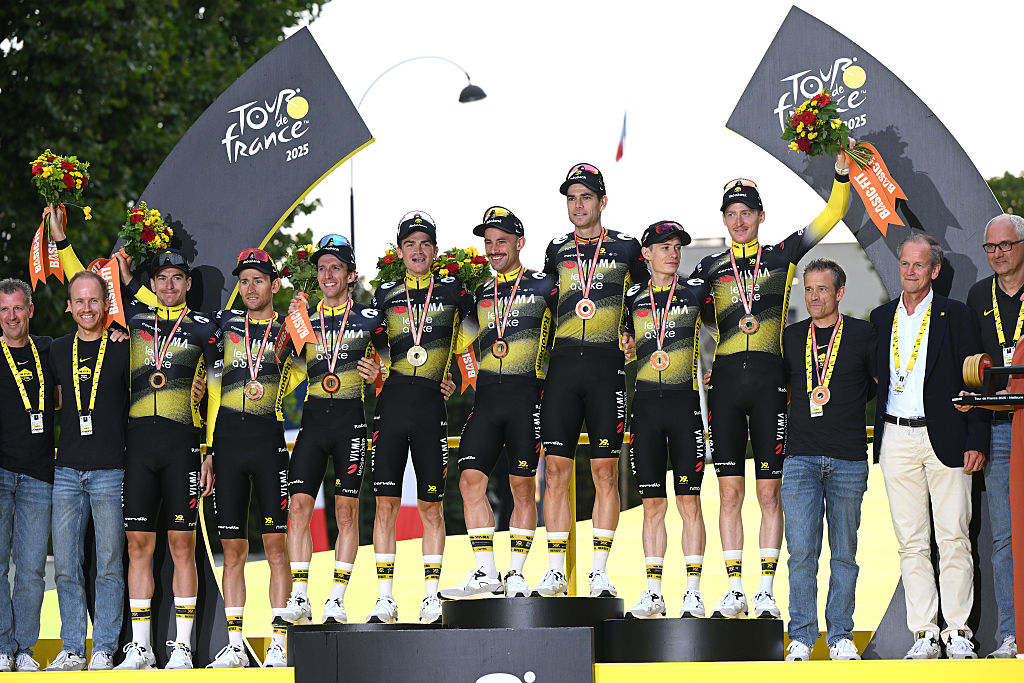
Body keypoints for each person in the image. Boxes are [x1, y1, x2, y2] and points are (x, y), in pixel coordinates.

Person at [693, 150, 851, 618]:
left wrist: (841, 172)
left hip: (769, 383)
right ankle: (735, 587)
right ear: (723, 219)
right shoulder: (709, 269)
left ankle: (765, 589)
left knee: (768, 492)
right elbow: (677, 321)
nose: (739, 221)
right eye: (732, 214)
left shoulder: (782, 255)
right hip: (723, 384)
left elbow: (834, 214)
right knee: (728, 493)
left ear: (761, 216)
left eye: (747, 213)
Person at [56, 227, 219, 670]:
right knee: (137, 545)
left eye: (176, 279)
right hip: (138, 450)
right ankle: (142, 646)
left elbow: (225, 388)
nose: (169, 285)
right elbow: (84, 285)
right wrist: (62, 241)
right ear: (154, 282)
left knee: (182, 544)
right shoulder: (132, 318)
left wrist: (209, 450)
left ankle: (182, 646)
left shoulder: (207, 327)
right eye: (162, 278)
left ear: (188, 284)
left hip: (184, 445)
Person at [871, 233, 987, 659]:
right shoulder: (881, 317)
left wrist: (975, 437)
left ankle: (957, 631)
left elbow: (974, 379)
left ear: (934, 271)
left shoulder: (955, 315)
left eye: (919, 265)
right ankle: (924, 633)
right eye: (905, 264)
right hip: (896, 437)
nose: (910, 271)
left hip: (948, 437)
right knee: (911, 542)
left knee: (954, 536)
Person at [538, 163, 646, 598]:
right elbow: (539, 306)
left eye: (586, 197)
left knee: (604, 471)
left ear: (603, 202)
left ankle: (599, 570)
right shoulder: (556, 249)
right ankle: (556, 570)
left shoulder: (626, 247)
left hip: (606, 368)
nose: (578, 205)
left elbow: (648, 300)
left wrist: (636, 336)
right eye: (571, 198)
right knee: (556, 472)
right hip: (562, 367)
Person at [440, 207, 556, 600]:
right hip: (487, 399)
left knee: (523, 489)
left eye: (501, 241)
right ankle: (486, 573)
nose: (493, 249)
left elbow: (576, 332)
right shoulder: (478, 296)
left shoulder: (546, 287)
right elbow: (456, 344)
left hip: (528, 397)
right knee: (469, 481)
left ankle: (518, 573)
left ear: (520, 243)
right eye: (488, 242)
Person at [368, 211, 473, 623]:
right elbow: (371, 348)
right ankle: (385, 598)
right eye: (409, 244)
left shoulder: (453, 294)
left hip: (431, 406)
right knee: (384, 506)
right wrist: (375, 370)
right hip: (391, 405)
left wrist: (450, 374)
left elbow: (471, 336)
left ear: (435, 250)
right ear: (399, 251)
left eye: (424, 244)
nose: (417, 251)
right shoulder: (383, 295)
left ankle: (431, 596)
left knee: (432, 506)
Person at [280, 235, 385, 628]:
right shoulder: (301, 318)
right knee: (298, 509)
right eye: (322, 267)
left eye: (336, 268)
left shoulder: (370, 319)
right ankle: (301, 596)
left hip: (350, 422)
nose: (327, 274)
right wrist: (287, 322)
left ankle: (336, 600)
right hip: (312, 421)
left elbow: (396, 370)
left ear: (350, 275)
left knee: (346, 511)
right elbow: (277, 366)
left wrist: (380, 375)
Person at [203, 248, 298, 668]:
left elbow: (308, 372)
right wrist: (207, 450)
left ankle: (279, 641)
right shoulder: (223, 325)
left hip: (268, 443)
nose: (250, 288)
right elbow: (205, 387)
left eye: (259, 280)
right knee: (233, 548)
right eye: (244, 281)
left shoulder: (289, 329)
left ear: (274, 285)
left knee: (277, 547)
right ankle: (237, 643)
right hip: (226, 444)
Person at [780, 259, 875, 661]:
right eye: (809, 290)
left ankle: (839, 636)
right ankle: (801, 636)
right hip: (799, 457)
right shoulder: (790, 337)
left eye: (823, 289)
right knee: (801, 552)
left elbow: (874, 386)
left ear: (840, 292)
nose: (815, 297)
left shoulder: (864, 334)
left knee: (844, 554)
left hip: (848, 458)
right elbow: (780, 389)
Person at [622, 221, 710, 619]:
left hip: (684, 405)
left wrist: (721, 367)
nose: (673, 254)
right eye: (664, 247)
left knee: (689, 501)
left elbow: (727, 331)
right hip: (645, 407)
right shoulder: (631, 298)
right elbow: (623, 346)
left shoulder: (695, 291)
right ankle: (654, 592)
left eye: (677, 247)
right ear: (646, 255)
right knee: (652, 503)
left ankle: (693, 592)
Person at [45, 271, 131, 671]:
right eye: (79, 301)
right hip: (66, 472)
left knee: (110, 563)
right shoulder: (57, 350)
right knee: (66, 565)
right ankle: (74, 647)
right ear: (69, 306)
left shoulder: (123, 349)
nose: (86, 308)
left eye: (93, 301)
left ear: (105, 303)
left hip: (111, 470)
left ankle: (105, 648)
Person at [964, 214, 1023, 658]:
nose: (998, 253)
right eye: (991, 247)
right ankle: (1011, 634)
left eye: (1006, 244)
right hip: (1000, 428)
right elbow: (973, 363)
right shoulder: (977, 294)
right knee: (1004, 537)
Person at [0, 278, 55, 673]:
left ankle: (24, 648)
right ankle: (3, 645)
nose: (11, 316)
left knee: (33, 568)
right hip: (0, 474)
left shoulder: (50, 350)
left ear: (30, 310)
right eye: (4, 310)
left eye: (18, 308)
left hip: (39, 474)